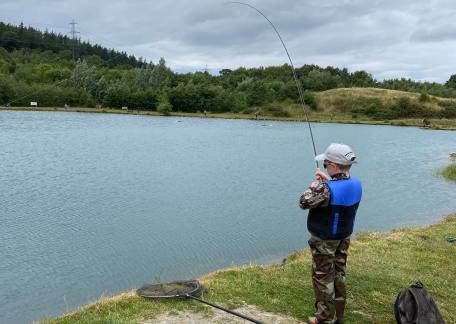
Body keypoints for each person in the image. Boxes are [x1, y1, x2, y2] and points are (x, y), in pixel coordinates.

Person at [299, 143, 362, 324]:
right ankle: (338, 316)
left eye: (326, 164)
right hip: (343, 237)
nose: (325, 166)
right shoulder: (356, 184)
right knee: (339, 275)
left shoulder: (324, 189)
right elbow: (339, 192)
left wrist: (314, 186)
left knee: (323, 277)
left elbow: (303, 202)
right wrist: (327, 181)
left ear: (333, 166)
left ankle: (324, 319)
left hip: (325, 240)